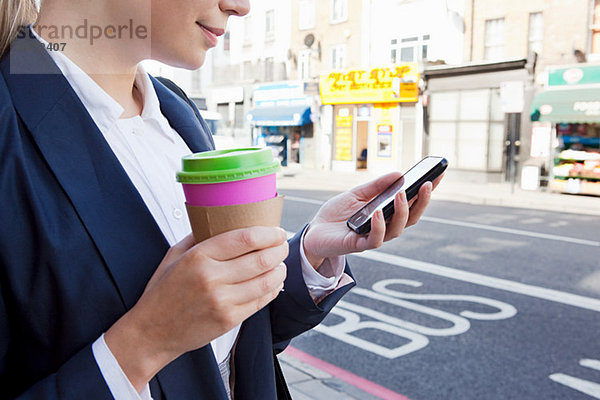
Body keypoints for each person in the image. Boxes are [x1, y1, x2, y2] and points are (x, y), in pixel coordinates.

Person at [0, 0, 442, 399]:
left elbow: (231, 336)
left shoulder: (176, 110)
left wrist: (308, 253)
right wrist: (144, 343)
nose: (242, 6)